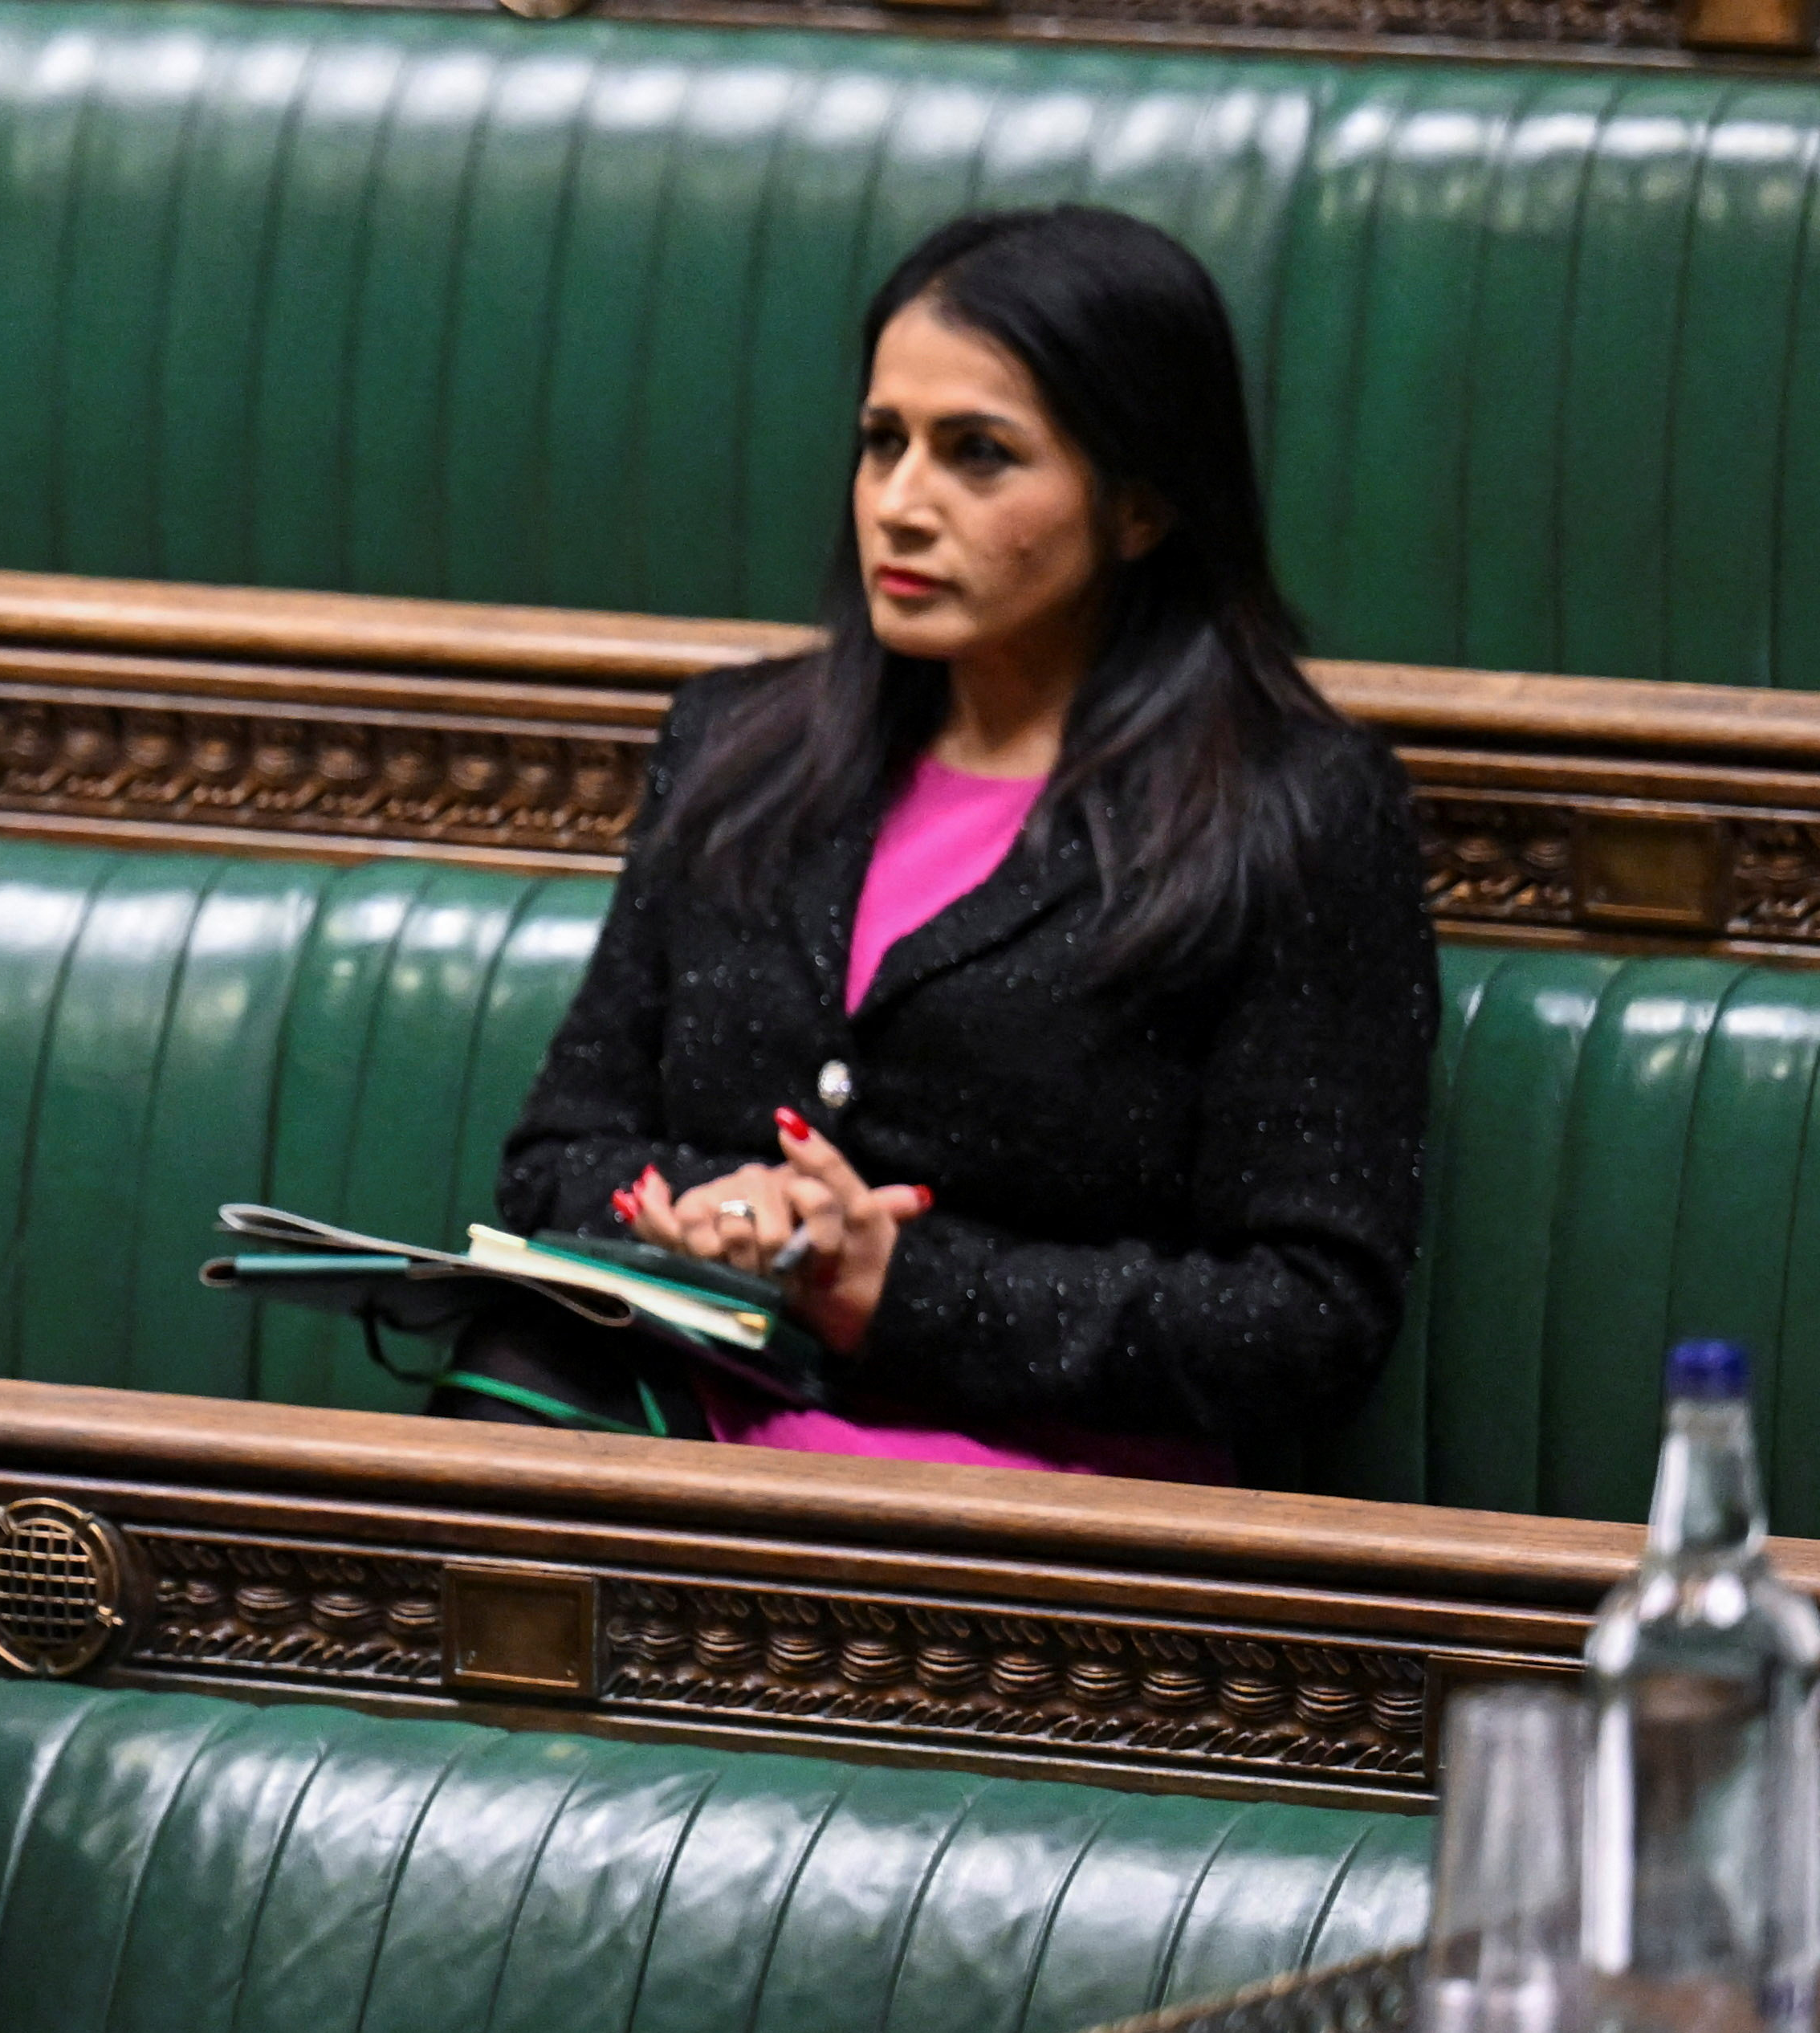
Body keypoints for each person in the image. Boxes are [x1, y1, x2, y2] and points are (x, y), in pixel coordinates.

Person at [497, 202, 1440, 1481]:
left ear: (1143, 503)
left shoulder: (1293, 809)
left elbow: (1308, 1317)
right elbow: (556, 1159)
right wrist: (725, 1210)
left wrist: (904, 1285)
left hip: (1029, 1536)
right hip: (685, 1451)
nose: (899, 502)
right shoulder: (735, 744)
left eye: (977, 454)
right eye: (881, 441)